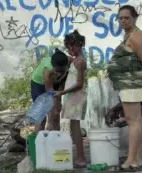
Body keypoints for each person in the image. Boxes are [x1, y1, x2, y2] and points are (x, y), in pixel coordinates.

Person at [106, 5, 142, 171]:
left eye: (127, 18)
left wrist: (134, 72)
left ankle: (131, 160)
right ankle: (138, 158)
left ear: (135, 18)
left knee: (132, 120)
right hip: (131, 82)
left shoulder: (135, 37)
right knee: (137, 119)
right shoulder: (132, 35)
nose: (123, 21)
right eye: (120, 18)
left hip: (131, 83)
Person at [55, 30, 87, 168]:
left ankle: (81, 158)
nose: (70, 50)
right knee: (73, 127)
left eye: (72, 46)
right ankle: (79, 157)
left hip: (76, 96)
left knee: (76, 127)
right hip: (72, 96)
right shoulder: (76, 60)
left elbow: (79, 83)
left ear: (80, 45)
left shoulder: (80, 62)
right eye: (68, 47)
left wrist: (62, 93)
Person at [31, 49, 69, 131]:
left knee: (56, 114)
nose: (59, 74)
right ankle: (39, 140)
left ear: (66, 66)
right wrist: (49, 123)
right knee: (41, 116)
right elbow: (49, 96)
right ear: (53, 67)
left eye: (62, 71)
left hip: (55, 83)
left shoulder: (70, 62)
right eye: (57, 71)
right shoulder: (48, 70)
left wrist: (57, 104)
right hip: (39, 84)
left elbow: (61, 88)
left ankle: (55, 139)